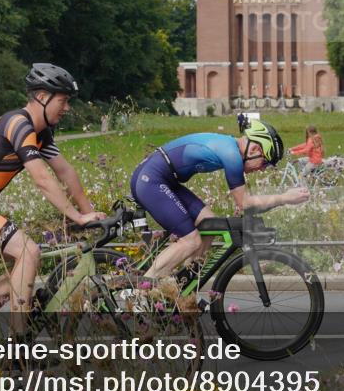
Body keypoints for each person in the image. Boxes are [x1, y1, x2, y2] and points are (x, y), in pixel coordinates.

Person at [0, 63, 107, 331]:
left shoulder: (41, 132)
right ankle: (18, 345)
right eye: (63, 100)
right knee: (28, 251)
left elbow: (65, 172)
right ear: (43, 97)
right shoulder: (18, 123)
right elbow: (42, 178)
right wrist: (76, 217)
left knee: (23, 264)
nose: (67, 108)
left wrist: (88, 215)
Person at [131, 119, 309, 281]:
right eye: (265, 163)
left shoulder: (231, 147)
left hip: (163, 178)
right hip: (151, 180)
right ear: (255, 149)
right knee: (191, 241)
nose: (262, 170)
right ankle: (141, 294)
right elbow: (245, 203)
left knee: (210, 224)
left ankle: (181, 287)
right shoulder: (232, 155)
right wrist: (285, 198)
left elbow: (244, 202)